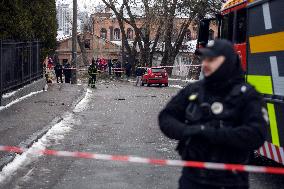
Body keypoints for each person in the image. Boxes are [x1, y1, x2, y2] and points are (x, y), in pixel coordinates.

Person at [159, 39, 268, 189]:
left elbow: (257, 134)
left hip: (230, 182)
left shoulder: (247, 95)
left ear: (228, 61)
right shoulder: (195, 90)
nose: (205, 64)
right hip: (192, 179)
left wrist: (212, 134)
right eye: (204, 59)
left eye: (211, 59)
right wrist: (188, 131)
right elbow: (166, 117)